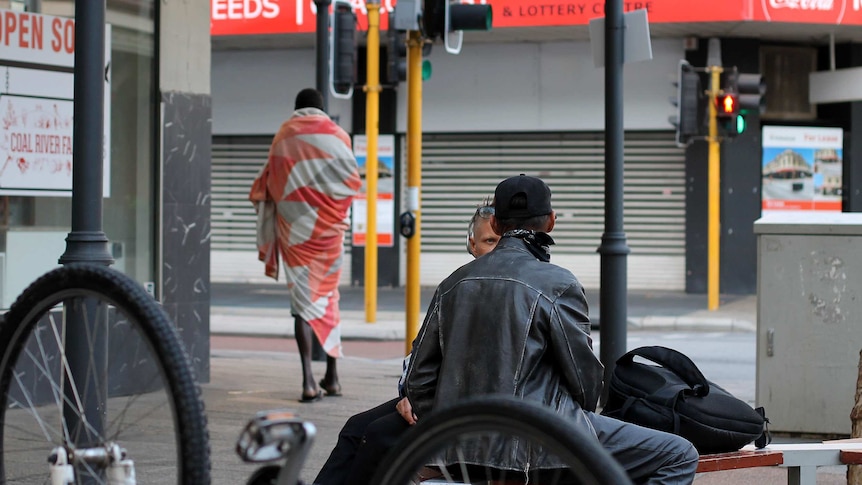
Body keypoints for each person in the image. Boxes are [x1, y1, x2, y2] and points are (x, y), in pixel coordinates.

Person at [403, 175, 699, 484]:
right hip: (543, 442)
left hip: (460, 445)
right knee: (679, 455)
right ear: (551, 221)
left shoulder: (452, 284)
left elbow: (419, 379)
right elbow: (584, 382)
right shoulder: (558, 283)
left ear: (497, 224)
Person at [313, 202, 498, 485]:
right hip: (439, 397)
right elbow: (422, 350)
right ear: (472, 245)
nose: (496, 250)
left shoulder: (510, 289)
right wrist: (411, 393)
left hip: (472, 408)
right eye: (489, 241)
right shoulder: (456, 286)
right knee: (355, 428)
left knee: (377, 436)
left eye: (501, 241)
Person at [249, 88, 361, 403]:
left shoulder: (284, 135)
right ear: (322, 109)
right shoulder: (339, 135)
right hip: (329, 234)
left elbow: (271, 182)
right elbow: (352, 181)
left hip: (296, 233)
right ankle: (333, 377)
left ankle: (309, 381)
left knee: (302, 305)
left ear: (297, 109)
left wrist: (297, 207)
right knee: (328, 299)